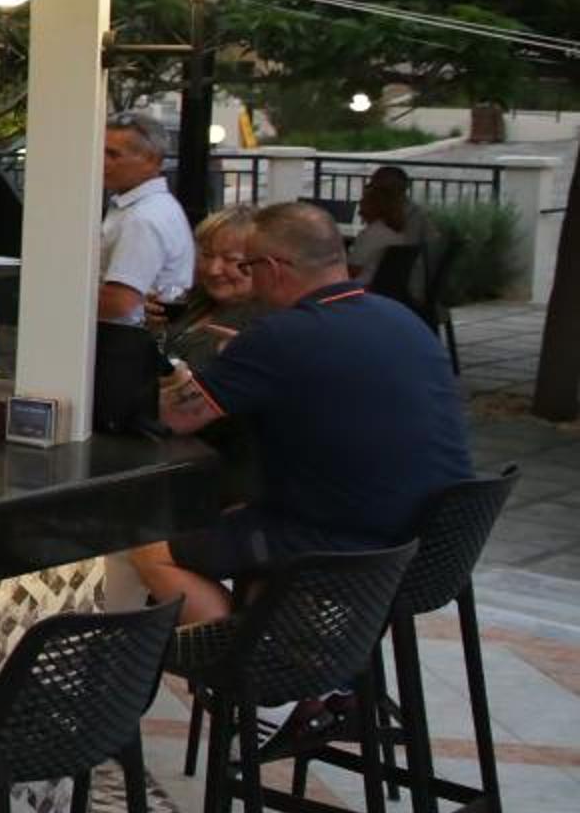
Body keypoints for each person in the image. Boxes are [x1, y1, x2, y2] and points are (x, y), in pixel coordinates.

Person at [128, 200, 472, 624]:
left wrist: (179, 377)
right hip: (432, 541)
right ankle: (292, 648)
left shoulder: (281, 335)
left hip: (346, 543)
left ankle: (238, 655)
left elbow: (174, 418)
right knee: (240, 520)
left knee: (149, 551)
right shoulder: (401, 318)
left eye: (248, 266)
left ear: (273, 268)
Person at [99, 112, 194, 326]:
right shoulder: (151, 207)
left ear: (151, 160)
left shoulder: (143, 217)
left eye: (113, 154)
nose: (102, 162)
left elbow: (119, 303)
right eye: (100, 152)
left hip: (123, 338)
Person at [157, 207, 266, 369]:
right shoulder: (194, 299)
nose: (213, 270)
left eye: (230, 259)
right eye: (207, 255)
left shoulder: (263, 324)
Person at [348, 166, 435, 302]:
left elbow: (353, 270)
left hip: (394, 290)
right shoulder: (411, 216)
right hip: (402, 290)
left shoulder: (377, 231)